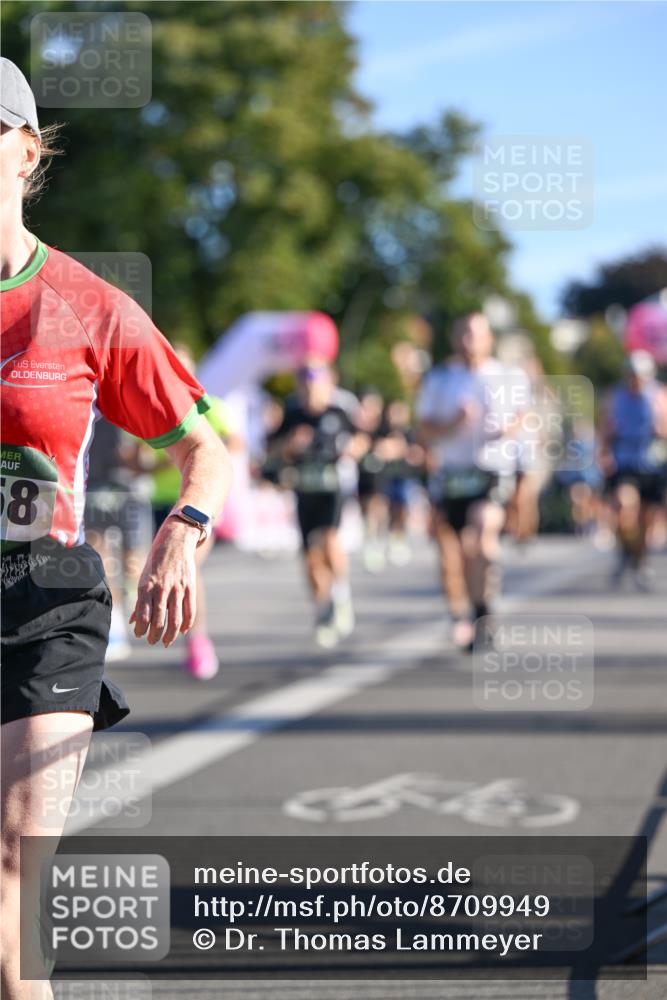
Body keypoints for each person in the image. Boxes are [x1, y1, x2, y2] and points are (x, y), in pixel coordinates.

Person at [0, 59, 231, 1000]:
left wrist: (184, 527)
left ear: (25, 153)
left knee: (13, 868)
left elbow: (206, 448)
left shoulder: (85, 305)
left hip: (42, 603)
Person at [417, 312, 528, 650]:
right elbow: (424, 428)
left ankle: (483, 613)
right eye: (463, 333)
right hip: (452, 472)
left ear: (489, 339)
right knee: (451, 554)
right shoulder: (439, 379)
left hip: (490, 470)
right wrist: (454, 423)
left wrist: (507, 429)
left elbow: (524, 417)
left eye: (476, 334)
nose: (469, 340)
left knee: (481, 537)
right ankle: (460, 613)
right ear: (454, 340)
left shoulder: (509, 376)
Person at [149, 343, 237, 678]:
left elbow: (233, 443)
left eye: (183, 368)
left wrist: (195, 457)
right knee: (168, 568)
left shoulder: (208, 406)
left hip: (197, 502)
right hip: (161, 501)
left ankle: (198, 640)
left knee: (188, 564)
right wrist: (153, 465)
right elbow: (133, 456)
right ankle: (187, 637)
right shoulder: (152, 404)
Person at [269, 358, 365, 648]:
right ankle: (323, 610)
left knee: (330, 538)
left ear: (328, 383)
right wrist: (290, 445)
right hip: (304, 489)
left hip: (332, 487)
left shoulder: (338, 411)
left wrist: (351, 449)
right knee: (310, 556)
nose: (310, 388)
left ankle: (341, 594)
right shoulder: (293, 413)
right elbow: (272, 448)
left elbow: (361, 440)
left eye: (316, 380)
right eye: (305, 381)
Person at [84, 417, 154, 660]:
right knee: (104, 554)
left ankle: (124, 609)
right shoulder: (99, 406)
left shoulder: (125, 410)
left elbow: (139, 458)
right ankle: (115, 619)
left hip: (122, 488)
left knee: (127, 559)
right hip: (100, 485)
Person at [599, 350, 667, 588]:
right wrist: (604, 452)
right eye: (632, 375)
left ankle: (640, 559)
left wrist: (660, 426)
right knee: (625, 507)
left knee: (647, 520)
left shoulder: (659, 395)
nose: (635, 381)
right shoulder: (615, 397)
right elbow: (605, 429)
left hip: (652, 465)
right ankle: (625, 551)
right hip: (625, 463)